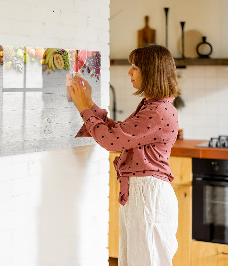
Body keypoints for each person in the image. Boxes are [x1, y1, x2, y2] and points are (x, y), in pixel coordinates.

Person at [68, 44, 180, 266]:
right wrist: (89, 103)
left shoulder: (157, 111)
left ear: (151, 72)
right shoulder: (153, 106)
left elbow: (111, 141)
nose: (129, 72)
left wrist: (83, 108)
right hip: (143, 193)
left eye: (135, 67)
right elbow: (119, 133)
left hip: (148, 195)